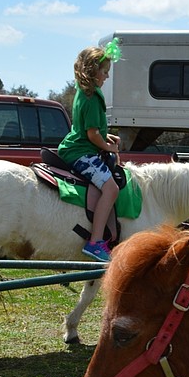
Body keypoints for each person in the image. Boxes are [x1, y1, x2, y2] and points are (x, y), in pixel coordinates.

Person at [57, 40, 123, 263]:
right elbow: (92, 134)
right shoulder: (92, 97)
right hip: (81, 152)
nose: (106, 76)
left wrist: (106, 137)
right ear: (93, 71)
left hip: (77, 146)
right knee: (111, 189)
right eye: (104, 72)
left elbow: (92, 130)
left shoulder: (82, 92)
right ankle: (95, 243)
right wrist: (108, 146)